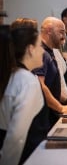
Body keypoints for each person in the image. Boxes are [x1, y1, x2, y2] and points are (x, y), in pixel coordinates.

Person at [0, 20, 48, 165]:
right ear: (30, 49)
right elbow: (16, 136)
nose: (43, 51)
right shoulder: (28, 81)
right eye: (40, 45)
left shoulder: (12, 75)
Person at [32, 17, 67, 126]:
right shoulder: (41, 53)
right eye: (61, 32)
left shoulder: (51, 51)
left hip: (51, 114)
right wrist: (60, 107)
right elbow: (40, 86)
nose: (64, 37)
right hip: (43, 119)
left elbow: (54, 84)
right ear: (49, 31)